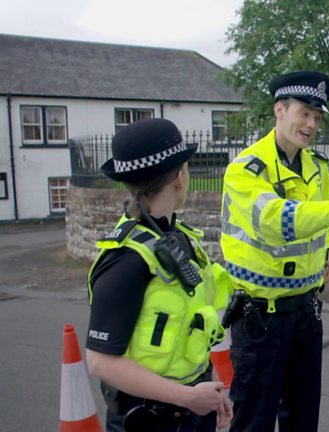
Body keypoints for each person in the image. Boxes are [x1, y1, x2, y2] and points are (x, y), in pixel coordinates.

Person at [219, 70, 329, 432]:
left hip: (305, 310)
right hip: (260, 316)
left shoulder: (315, 165)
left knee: (302, 417)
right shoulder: (245, 170)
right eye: (304, 113)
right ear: (280, 110)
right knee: (253, 419)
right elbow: (277, 219)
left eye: (317, 117)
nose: (311, 124)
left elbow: (321, 215)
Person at [85, 118, 234, 431]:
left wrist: (211, 386)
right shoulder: (126, 259)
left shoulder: (178, 236)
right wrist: (187, 396)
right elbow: (101, 361)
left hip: (191, 408)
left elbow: (192, 324)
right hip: (149, 420)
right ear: (180, 177)